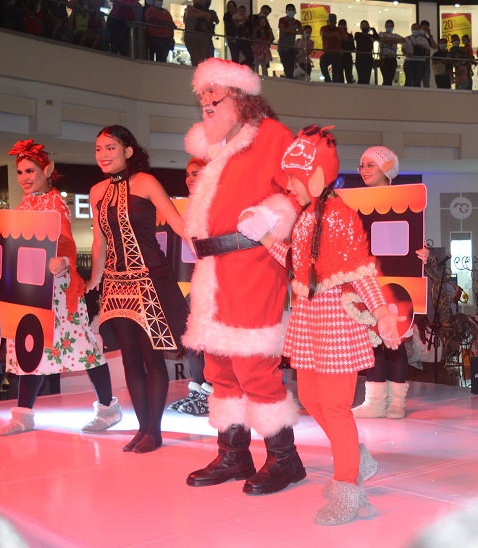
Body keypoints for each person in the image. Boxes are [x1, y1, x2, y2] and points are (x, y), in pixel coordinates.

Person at [248, 125, 400, 525]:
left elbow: (361, 270)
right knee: (313, 401)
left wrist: (382, 313)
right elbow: (299, 265)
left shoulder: (340, 216)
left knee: (333, 406)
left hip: (336, 319)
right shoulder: (308, 217)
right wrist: (265, 238)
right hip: (310, 318)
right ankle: (358, 460)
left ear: (315, 177)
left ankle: (348, 488)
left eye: (294, 181)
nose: (290, 189)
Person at [181, 59, 305, 495]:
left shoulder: (272, 135)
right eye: (201, 93)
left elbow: (301, 189)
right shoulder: (214, 144)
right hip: (212, 269)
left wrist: (273, 212)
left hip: (252, 262)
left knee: (254, 362)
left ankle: (285, 459)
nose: (206, 99)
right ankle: (234, 453)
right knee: (219, 365)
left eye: (215, 90)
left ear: (241, 94)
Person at [0, 140, 123, 436]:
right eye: (21, 172)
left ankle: (108, 409)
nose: (25, 177)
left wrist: (65, 261)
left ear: (47, 170)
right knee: (32, 346)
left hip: (59, 291)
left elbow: (66, 241)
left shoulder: (55, 202)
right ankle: (24, 414)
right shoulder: (25, 204)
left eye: (30, 171)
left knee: (84, 347)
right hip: (32, 290)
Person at [87, 125, 189, 454]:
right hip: (115, 284)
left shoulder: (145, 182)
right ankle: (142, 427)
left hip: (150, 280)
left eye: (110, 148)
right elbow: (99, 242)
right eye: (99, 149)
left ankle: (154, 432)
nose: (103, 155)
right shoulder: (96, 191)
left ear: (128, 151)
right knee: (129, 359)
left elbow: (177, 223)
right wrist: (93, 279)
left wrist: (211, 244)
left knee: (151, 357)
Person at [349, 145, 416, 419]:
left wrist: (420, 253)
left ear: (387, 167)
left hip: (396, 282)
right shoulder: (352, 205)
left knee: (395, 339)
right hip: (366, 279)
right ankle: (375, 400)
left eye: (370, 165)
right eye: (361, 165)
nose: (363, 170)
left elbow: (411, 237)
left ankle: (396, 401)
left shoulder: (406, 201)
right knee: (371, 340)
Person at [167, 157, 213, 416]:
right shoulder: (191, 207)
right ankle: (199, 391)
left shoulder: (216, 205)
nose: (189, 178)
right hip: (198, 282)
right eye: (188, 174)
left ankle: (210, 392)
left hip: (215, 283)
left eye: (196, 173)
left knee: (207, 341)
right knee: (192, 338)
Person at [183, 0, 219, 66]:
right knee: (195, 58)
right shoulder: (189, 8)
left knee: (202, 58)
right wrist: (204, 13)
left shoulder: (210, 12)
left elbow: (214, 20)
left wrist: (203, 13)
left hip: (204, 37)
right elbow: (190, 13)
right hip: (192, 37)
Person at [402, 23, 431, 88]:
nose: (415, 30)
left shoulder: (424, 39)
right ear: (411, 29)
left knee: (417, 81)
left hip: (420, 61)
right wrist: (407, 54)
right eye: (413, 28)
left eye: (416, 28)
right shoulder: (407, 39)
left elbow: (428, 51)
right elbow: (403, 49)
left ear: (419, 29)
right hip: (409, 61)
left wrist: (422, 48)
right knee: (409, 80)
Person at [277, 4, 301, 78]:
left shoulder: (297, 22)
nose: (291, 12)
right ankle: (289, 78)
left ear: (295, 11)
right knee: (286, 65)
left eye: (292, 10)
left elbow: (302, 31)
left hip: (291, 47)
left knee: (291, 66)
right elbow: (283, 29)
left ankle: (289, 78)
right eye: (289, 10)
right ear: (286, 11)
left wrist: (290, 31)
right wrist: (294, 30)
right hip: (282, 47)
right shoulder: (282, 20)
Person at [377, 20, 404, 86]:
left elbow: (403, 40)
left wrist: (393, 40)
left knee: (390, 78)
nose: (389, 27)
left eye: (391, 26)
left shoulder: (395, 35)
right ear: (385, 26)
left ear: (393, 27)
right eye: (388, 26)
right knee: (386, 78)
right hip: (384, 59)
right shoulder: (381, 34)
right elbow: (379, 39)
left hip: (392, 59)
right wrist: (391, 40)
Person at [319, 13, 342, 82]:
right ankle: (327, 79)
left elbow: (345, 37)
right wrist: (335, 35)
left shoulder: (339, 29)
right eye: (331, 21)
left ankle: (334, 82)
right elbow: (323, 34)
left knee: (336, 71)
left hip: (337, 53)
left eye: (333, 22)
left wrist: (331, 35)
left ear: (336, 22)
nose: (332, 23)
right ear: (327, 21)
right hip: (327, 52)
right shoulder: (324, 28)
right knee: (323, 64)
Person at [354, 20, 378, 85]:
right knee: (361, 77)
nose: (365, 27)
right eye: (363, 26)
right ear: (361, 27)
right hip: (360, 59)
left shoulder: (370, 36)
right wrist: (369, 39)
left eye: (366, 25)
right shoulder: (358, 34)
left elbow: (377, 38)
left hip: (368, 59)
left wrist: (373, 30)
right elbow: (362, 42)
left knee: (367, 78)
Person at [419, 20, 437, 88]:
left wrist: (430, 35)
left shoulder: (427, 38)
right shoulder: (415, 37)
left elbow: (435, 46)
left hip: (426, 63)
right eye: (423, 28)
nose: (425, 30)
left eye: (426, 29)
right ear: (420, 27)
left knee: (426, 83)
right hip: (418, 62)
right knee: (416, 82)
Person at [338, 19, 355, 84]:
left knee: (349, 76)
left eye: (343, 25)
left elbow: (352, 48)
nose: (342, 26)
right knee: (340, 77)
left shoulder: (350, 36)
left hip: (347, 58)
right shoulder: (337, 35)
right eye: (341, 25)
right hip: (340, 57)